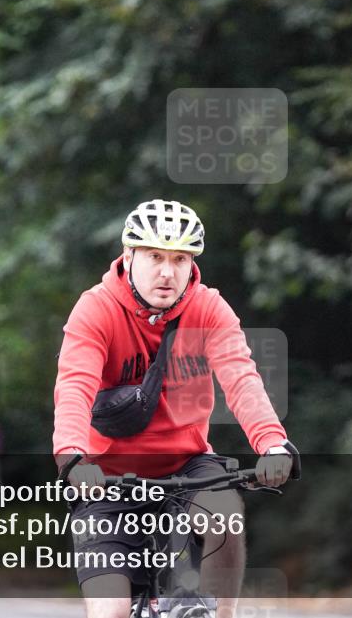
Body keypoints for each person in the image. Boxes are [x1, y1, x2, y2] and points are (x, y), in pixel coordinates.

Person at [53, 199, 295, 618]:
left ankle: (222, 614)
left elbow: (241, 378)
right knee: (109, 611)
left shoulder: (209, 308)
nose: (167, 272)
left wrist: (272, 443)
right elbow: (74, 385)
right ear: (129, 257)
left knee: (224, 513)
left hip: (187, 465)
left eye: (179, 259)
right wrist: (73, 458)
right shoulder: (95, 309)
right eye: (154, 257)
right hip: (105, 479)